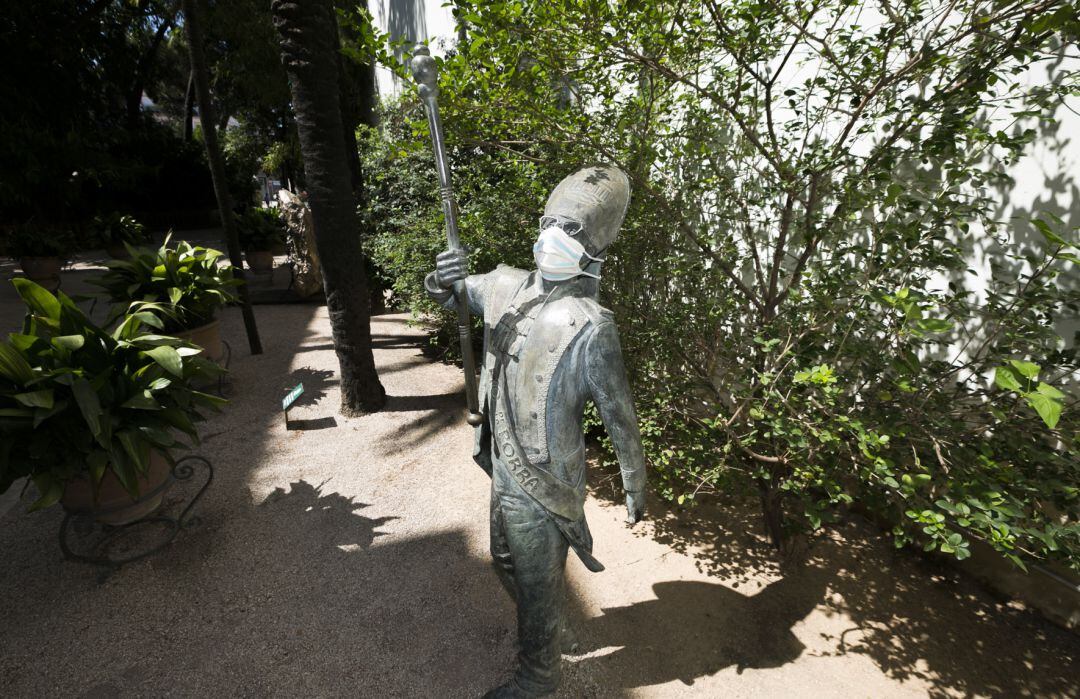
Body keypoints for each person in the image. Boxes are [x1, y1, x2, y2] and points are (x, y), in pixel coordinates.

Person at [425, 164, 647, 698]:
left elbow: (620, 414)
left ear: (595, 247)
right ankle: (546, 629)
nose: (551, 237)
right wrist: (443, 277)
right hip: (502, 458)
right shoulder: (505, 287)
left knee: (534, 574)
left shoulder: (593, 326)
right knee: (508, 562)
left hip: (546, 477)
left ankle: (537, 678)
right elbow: (455, 294)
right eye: (549, 222)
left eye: (569, 230)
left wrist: (635, 478)